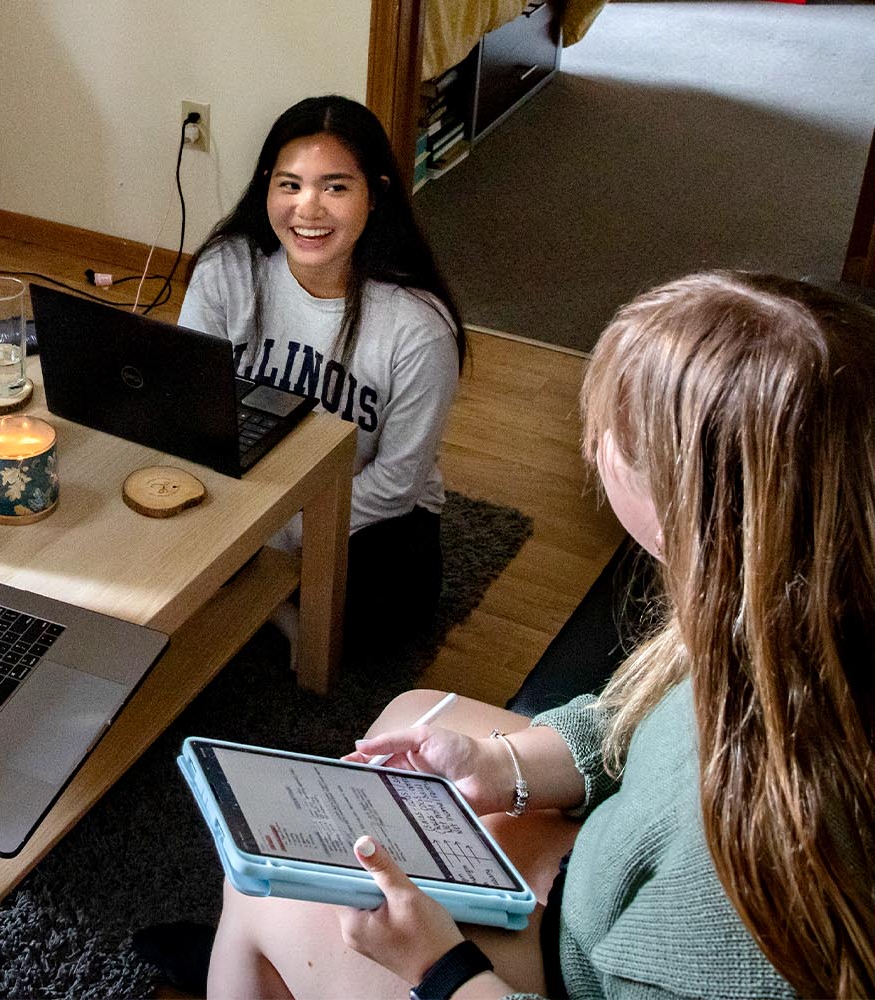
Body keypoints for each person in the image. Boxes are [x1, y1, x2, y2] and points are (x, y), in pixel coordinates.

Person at [205, 271, 875, 998]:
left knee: (259, 892)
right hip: (605, 881)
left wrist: (436, 965)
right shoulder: (791, 613)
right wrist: (500, 768)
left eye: (619, 434)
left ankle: (257, 958)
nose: (598, 444)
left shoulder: (759, 862)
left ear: (696, 508)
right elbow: (634, 730)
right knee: (412, 710)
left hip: (580, 965)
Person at [178, 94, 465, 642]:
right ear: (266, 185)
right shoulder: (227, 268)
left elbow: (396, 483)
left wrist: (277, 532)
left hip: (364, 511)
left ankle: (265, 595)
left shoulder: (418, 327)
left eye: (335, 187)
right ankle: (271, 598)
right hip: (247, 480)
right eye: (290, 185)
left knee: (383, 617)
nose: (308, 209)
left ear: (375, 195)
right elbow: (189, 403)